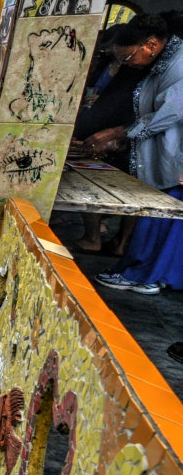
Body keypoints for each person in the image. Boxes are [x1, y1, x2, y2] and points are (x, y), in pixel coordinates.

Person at [92, 15, 183, 294]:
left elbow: (170, 112)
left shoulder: (178, 64)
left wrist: (121, 133)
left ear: (151, 44)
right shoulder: (165, 62)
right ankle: (137, 270)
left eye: (128, 56)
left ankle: (146, 275)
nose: (126, 63)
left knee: (161, 220)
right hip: (166, 152)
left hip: (176, 159)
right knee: (154, 218)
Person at [70, 23, 147, 251]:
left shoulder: (136, 71)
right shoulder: (112, 64)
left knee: (133, 190)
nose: (116, 56)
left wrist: (117, 134)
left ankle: (119, 242)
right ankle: (96, 236)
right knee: (89, 182)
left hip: (122, 133)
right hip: (99, 130)